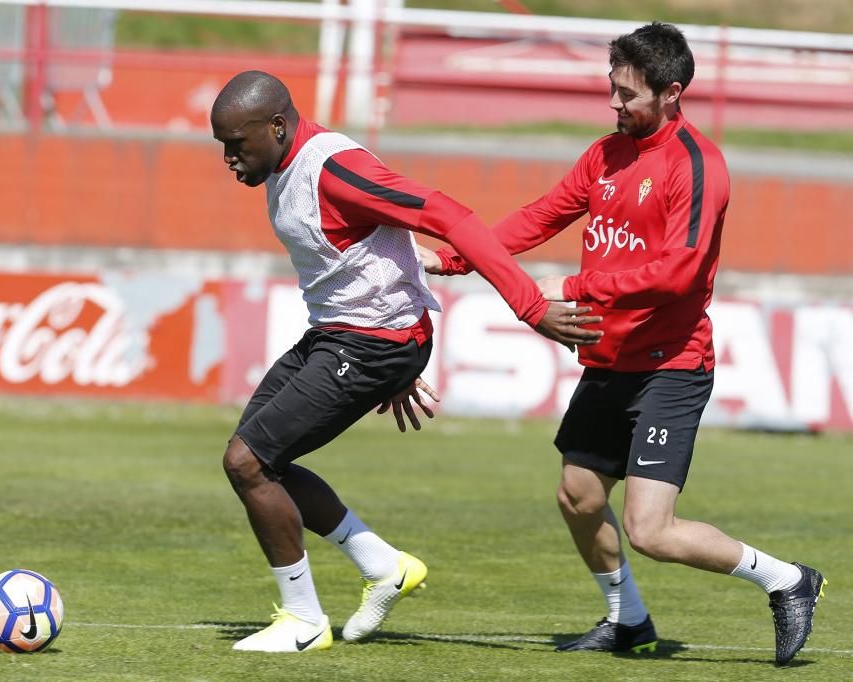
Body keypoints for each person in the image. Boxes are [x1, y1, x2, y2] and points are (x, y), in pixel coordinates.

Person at [419, 22, 825, 667]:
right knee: (578, 495)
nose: (615, 105)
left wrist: (577, 285)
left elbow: (680, 274)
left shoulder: (698, 166)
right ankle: (627, 621)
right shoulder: (605, 154)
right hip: (610, 360)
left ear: (671, 93)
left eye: (627, 95)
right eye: (611, 90)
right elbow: (542, 214)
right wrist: (455, 258)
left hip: (671, 367)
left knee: (650, 531)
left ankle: (786, 579)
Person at [211, 70, 602, 653]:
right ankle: (382, 565)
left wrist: (531, 306)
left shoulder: (335, 169)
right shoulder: (283, 164)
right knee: (257, 464)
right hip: (345, 335)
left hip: (369, 344)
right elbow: (378, 243)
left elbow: (451, 217)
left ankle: (304, 622)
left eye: (236, 145)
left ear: (276, 126)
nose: (229, 160)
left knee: (250, 461)